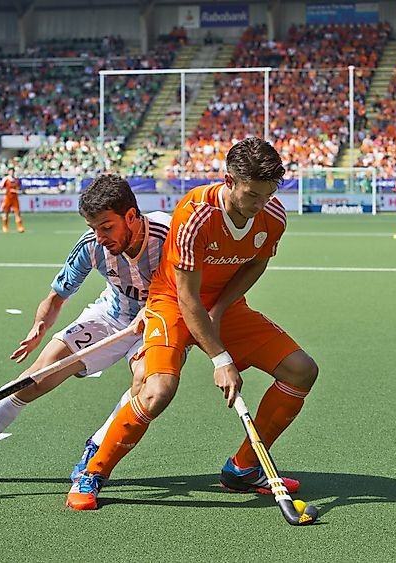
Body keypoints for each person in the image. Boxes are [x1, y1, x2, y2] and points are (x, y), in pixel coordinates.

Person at [67, 137, 319, 511]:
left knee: (302, 370)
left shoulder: (273, 215)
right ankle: (95, 471)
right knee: (157, 391)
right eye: (252, 195)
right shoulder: (194, 213)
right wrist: (221, 359)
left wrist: (220, 310)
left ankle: (243, 469)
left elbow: (256, 263)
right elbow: (186, 297)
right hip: (172, 302)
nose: (259, 205)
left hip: (222, 304)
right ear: (229, 181)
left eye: (267, 195)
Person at [0, 174, 171, 486]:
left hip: (162, 321)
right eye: (93, 228)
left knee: (145, 383)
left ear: (132, 216)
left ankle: (96, 449)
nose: (99, 237)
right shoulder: (91, 246)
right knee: (34, 378)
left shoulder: (167, 235)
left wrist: (154, 311)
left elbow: (194, 288)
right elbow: (56, 297)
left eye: (107, 227)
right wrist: (39, 327)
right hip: (112, 316)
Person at [0, 168, 24, 233]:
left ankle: (20, 227)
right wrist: (6, 191)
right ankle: (5, 226)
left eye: (13, 171)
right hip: (8, 198)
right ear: (8, 172)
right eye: (10, 171)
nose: (12, 173)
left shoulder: (17, 180)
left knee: (17, 213)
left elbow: (20, 189)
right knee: (5, 213)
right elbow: (1, 187)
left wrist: (16, 191)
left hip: (15, 198)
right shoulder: (6, 179)